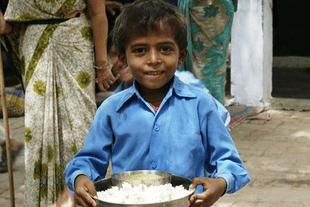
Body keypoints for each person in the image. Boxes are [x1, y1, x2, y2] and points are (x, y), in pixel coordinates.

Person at [65, 1, 250, 207]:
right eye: (140, 51)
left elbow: (230, 161)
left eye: (164, 49)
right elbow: (88, 160)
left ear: (181, 55)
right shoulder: (111, 109)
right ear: (123, 59)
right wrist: (80, 178)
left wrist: (221, 183)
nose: (153, 59)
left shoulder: (201, 105)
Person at [0, 0, 116, 206]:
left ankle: (84, 197)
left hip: (74, 44)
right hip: (34, 47)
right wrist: (5, 26)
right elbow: (16, 27)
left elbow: (98, 14)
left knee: (80, 127)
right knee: (39, 133)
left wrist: (102, 65)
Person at [177, 0, 236, 104]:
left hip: (216, 8)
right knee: (208, 60)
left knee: (215, 59)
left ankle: (210, 105)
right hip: (201, 7)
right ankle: (210, 105)